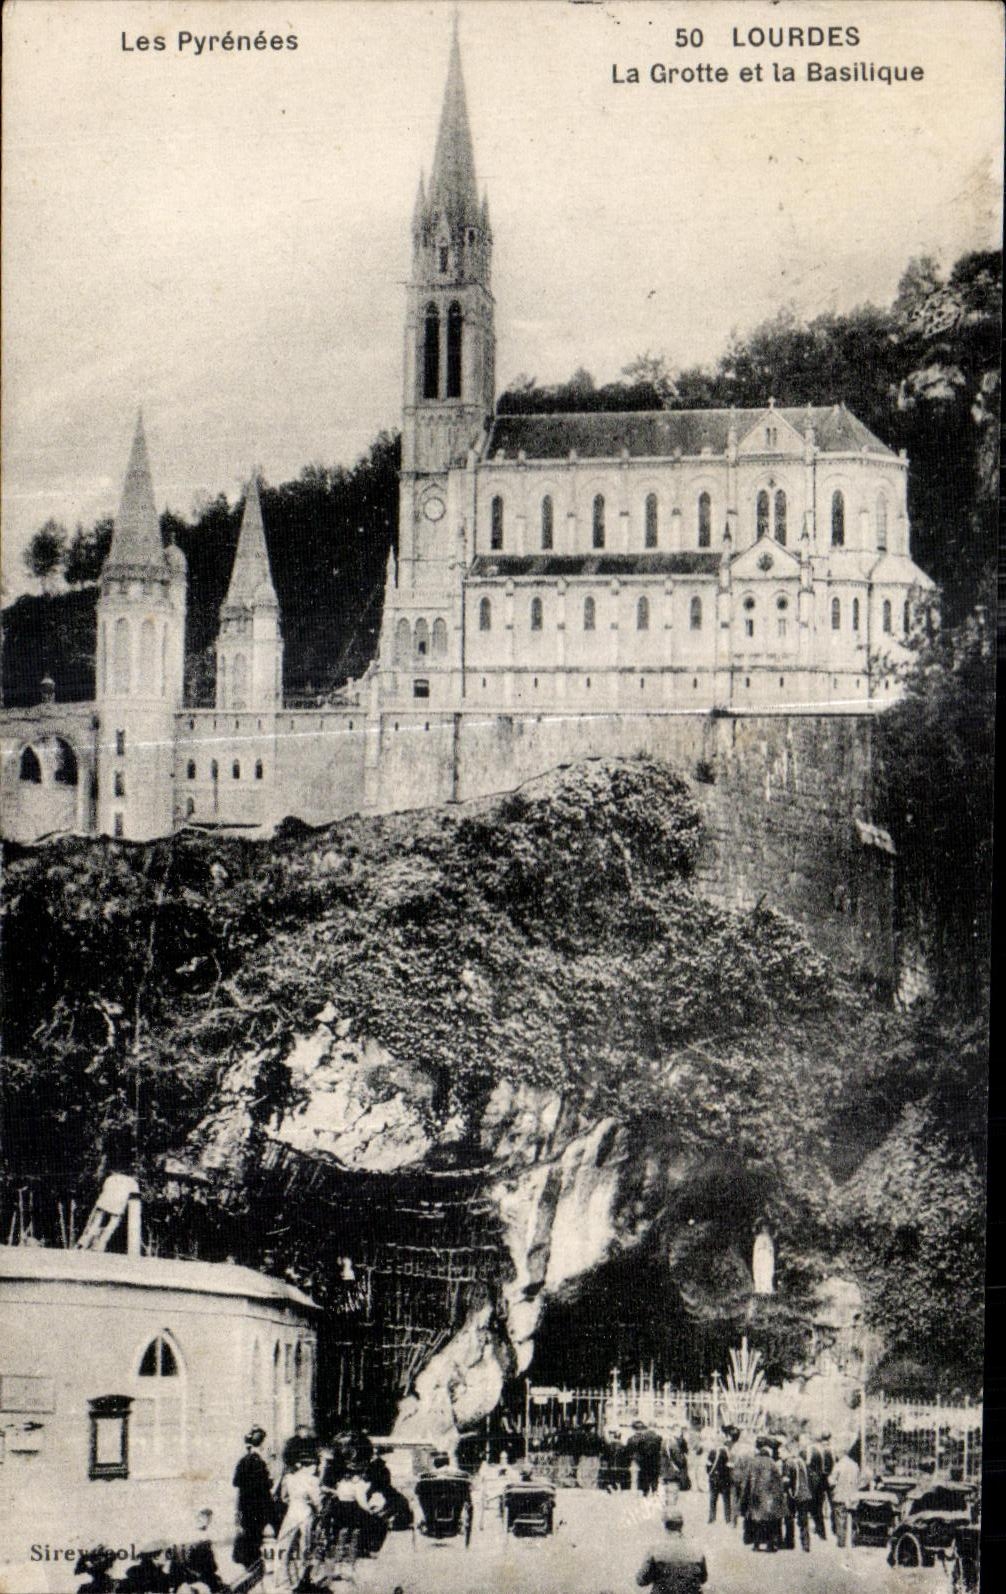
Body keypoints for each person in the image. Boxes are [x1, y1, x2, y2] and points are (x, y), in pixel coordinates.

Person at [276, 1454, 322, 1589]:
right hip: (306, 1513)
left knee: (283, 1546)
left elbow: (283, 1498)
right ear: (307, 1466)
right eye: (314, 1466)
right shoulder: (313, 1480)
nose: (316, 1469)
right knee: (306, 1546)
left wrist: (296, 1501)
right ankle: (302, 1580)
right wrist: (316, 1509)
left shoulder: (289, 1478)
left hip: (292, 1513)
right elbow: (317, 1501)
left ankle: (283, 1581)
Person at [233, 1426, 274, 1568]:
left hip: (244, 1504)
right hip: (257, 1506)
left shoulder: (242, 1461)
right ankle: (254, 1566)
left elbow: (236, 1482)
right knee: (255, 1537)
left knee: (248, 1535)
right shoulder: (259, 1463)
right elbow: (264, 1487)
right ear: (261, 1444)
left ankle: (249, 1564)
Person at [636, 1513, 708, 1594]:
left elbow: (641, 1580)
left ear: (665, 1526)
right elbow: (703, 1578)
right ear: (681, 1525)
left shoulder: (656, 1549)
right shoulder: (695, 1549)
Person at [739, 1436, 786, 1552]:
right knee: (769, 1522)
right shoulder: (772, 1463)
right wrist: (779, 1499)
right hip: (769, 1498)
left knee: (756, 1522)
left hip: (755, 1496)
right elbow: (778, 1482)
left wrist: (743, 1498)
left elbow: (746, 1482)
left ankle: (756, 1545)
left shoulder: (753, 1462)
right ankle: (770, 1546)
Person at [168, 1509, 224, 1594]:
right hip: (188, 1570)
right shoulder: (191, 1535)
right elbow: (181, 1555)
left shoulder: (204, 1534)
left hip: (192, 1569)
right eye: (206, 1518)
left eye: (209, 1519)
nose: (209, 1521)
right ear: (199, 1517)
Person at [781, 1440, 814, 1553]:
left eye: (782, 1451)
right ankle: (806, 1544)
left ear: (787, 1451)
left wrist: (785, 1491)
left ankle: (789, 1542)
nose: (780, 1454)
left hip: (793, 1495)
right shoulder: (802, 1461)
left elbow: (786, 1480)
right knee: (804, 1520)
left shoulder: (788, 1463)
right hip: (805, 1494)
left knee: (789, 1518)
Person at [830, 1447, 861, 1548]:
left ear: (840, 1453)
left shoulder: (838, 1466)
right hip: (853, 1497)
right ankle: (853, 1541)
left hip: (840, 1496)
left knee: (840, 1520)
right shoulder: (855, 1465)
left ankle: (841, 1542)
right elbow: (858, 1480)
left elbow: (831, 1481)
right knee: (854, 1521)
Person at [705, 1429, 733, 1524]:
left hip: (714, 1479)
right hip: (725, 1479)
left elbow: (708, 1466)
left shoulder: (712, 1452)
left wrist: (711, 1473)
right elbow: (730, 1467)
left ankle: (711, 1518)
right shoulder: (728, 1453)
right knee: (726, 1500)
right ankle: (728, 1519)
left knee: (713, 1499)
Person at [806, 1434, 829, 1540]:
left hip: (813, 1482)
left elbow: (808, 1463)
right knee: (818, 1508)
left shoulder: (811, 1449)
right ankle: (821, 1531)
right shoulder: (823, 1450)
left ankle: (820, 1531)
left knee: (814, 1508)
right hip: (821, 1481)